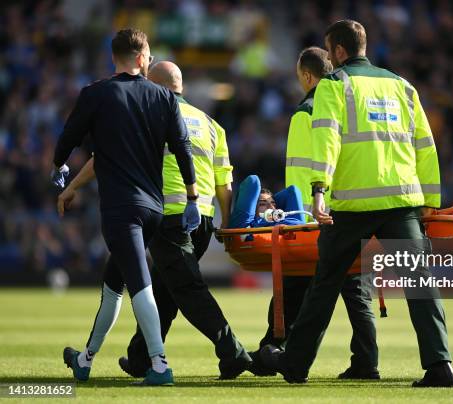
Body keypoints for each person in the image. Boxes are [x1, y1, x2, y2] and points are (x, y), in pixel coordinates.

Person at [261, 20, 453, 387]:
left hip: (351, 205)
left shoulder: (334, 85)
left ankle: (296, 364)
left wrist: (319, 189)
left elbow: (327, 141)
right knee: (420, 285)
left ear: (336, 51)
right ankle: (441, 365)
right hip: (402, 200)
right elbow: (425, 147)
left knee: (324, 284)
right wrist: (430, 202)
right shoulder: (402, 86)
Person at [59, 61, 253, 380]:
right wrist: (227, 223)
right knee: (166, 288)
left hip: (166, 216)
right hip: (202, 217)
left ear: (157, 87)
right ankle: (139, 358)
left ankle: (232, 353)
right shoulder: (210, 123)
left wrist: (72, 186)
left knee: (187, 289)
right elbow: (225, 182)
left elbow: (105, 157)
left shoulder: (151, 112)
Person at [53, 29, 201, 386]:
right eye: (149, 56)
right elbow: (182, 149)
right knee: (113, 285)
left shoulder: (96, 94)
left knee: (139, 285)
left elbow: (68, 139)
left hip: (121, 210)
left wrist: (60, 169)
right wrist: (193, 198)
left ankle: (160, 365)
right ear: (139, 57)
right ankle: (85, 359)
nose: (150, 62)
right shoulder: (163, 98)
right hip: (153, 208)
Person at [248, 47, 380, 380]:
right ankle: (366, 362)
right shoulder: (349, 108)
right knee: (355, 290)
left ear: (307, 76)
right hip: (349, 210)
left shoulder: (308, 112)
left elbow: (304, 172)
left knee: (294, 287)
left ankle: (275, 351)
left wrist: (297, 212)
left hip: (311, 215)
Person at [229, 174, 305, 228]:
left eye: (274, 204)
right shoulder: (245, 224)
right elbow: (253, 180)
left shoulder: (287, 220)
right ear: (252, 210)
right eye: (262, 204)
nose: (271, 207)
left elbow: (293, 191)